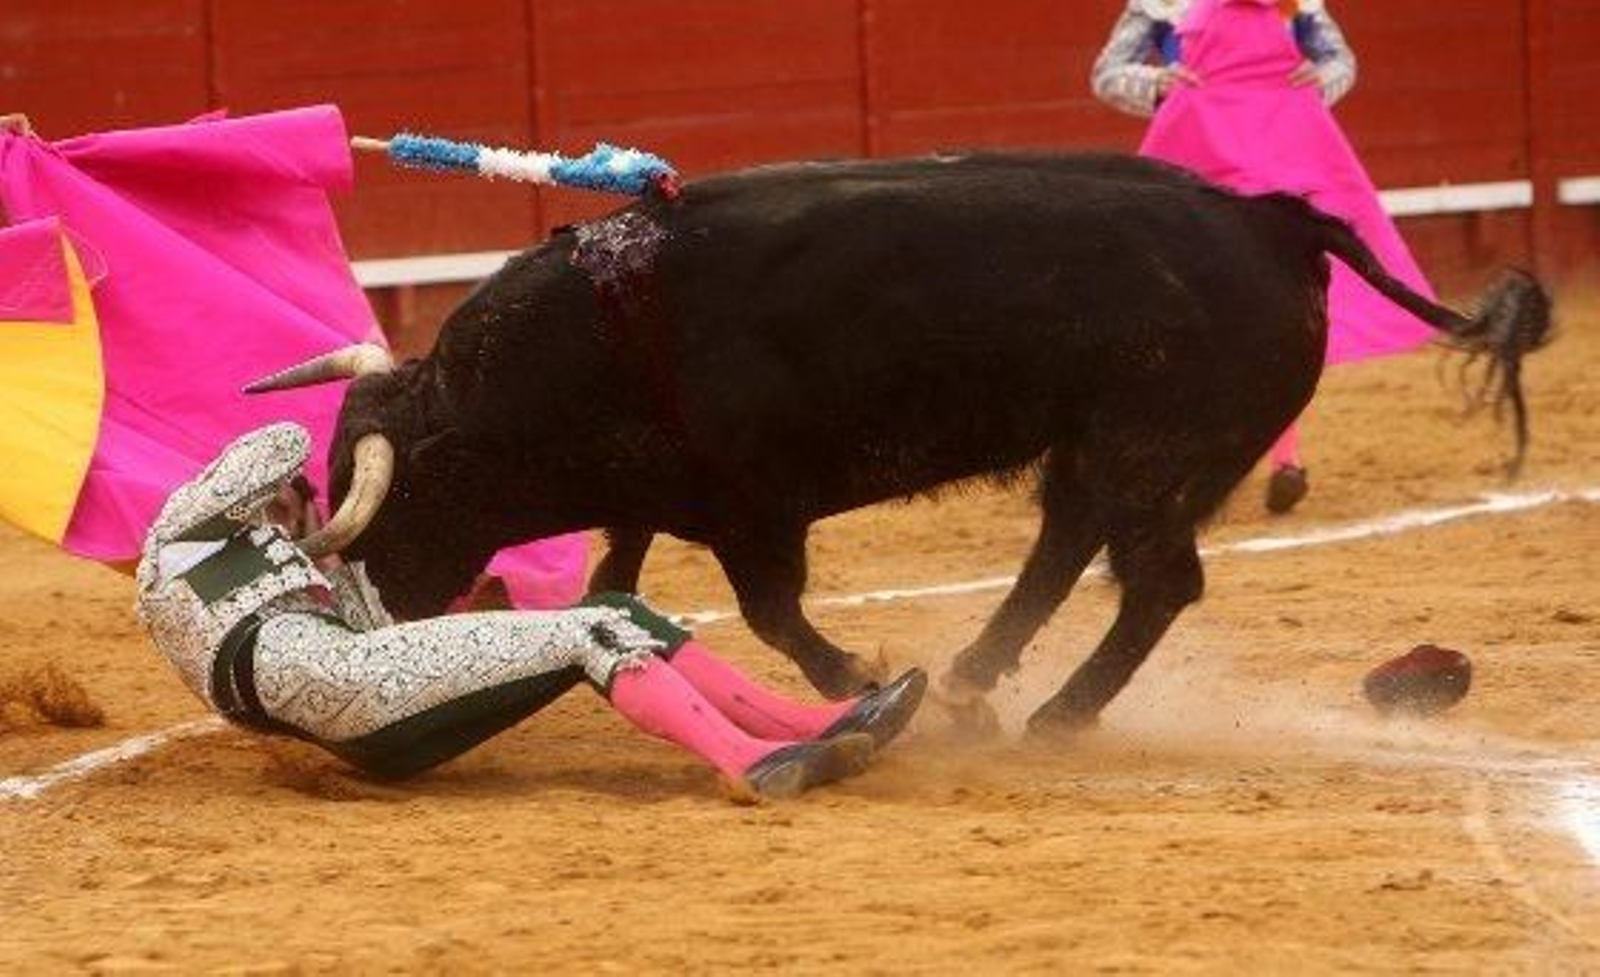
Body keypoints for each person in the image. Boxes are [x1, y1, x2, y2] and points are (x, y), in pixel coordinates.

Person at [135, 422, 926, 799]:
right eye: (296, 502)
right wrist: (362, 418)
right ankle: (748, 759)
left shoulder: (262, 578)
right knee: (592, 628)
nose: (297, 507)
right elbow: (278, 440)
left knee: (611, 607)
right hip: (332, 678)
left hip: (368, 724)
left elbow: (388, 648)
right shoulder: (183, 528)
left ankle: (807, 725)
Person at [1090, 0, 1437, 513]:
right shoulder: (1166, 4)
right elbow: (1107, 75)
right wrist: (1156, 83)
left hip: (1274, 167)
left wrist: (1318, 78)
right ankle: (1222, 455)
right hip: (1197, 174)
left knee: (1278, 309)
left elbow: (1341, 62)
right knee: (1196, 317)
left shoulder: (1289, 4)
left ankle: (1283, 460)